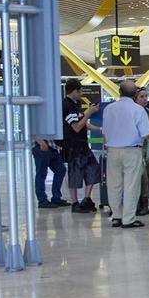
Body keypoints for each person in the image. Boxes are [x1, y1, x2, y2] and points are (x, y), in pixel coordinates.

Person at [101, 80, 149, 228]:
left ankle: (116, 216)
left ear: (119, 92)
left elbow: (105, 131)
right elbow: (146, 133)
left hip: (112, 150)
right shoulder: (138, 110)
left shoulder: (109, 108)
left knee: (114, 185)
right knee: (131, 185)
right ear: (134, 94)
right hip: (132, 151)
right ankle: (128, 219)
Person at [61, 79, 100, 214]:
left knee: (93, 169)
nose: (82, 94)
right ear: (74, 91)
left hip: (83, 145)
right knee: (75, 173)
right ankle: (75, 202)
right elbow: (77, 127)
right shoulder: (66, 106)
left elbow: (82, 123)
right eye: (80, 91)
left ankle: (87, 198)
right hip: (73, 146)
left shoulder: (75, 105)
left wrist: (99, 129)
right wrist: (88, 113)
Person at [31, 135, 68, 209]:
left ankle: (56, 198)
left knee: (61, 169)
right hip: (40, 146)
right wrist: (42, 143)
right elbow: (32, 129)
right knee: (41, 174)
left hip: (52, 147)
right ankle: (42, 200)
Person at [134, 87, 149, 217]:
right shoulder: (134, 112)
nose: (145, 99)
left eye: (146, 96)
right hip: (138, 145)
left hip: (148, 144)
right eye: (142, 96)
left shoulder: (147, 111)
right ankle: (140, 202)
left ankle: (145, 201)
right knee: (141, 175)